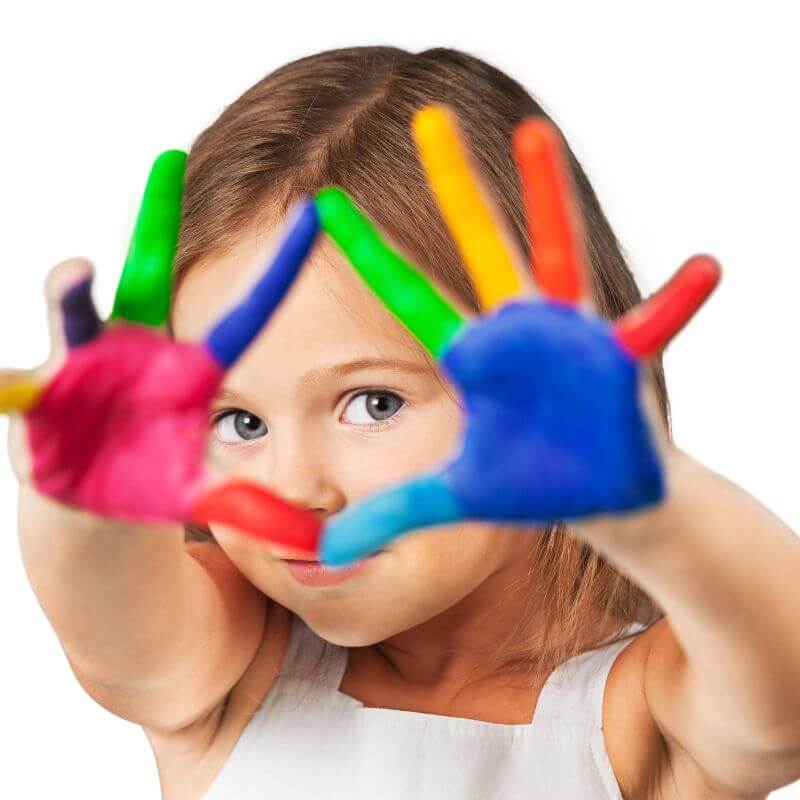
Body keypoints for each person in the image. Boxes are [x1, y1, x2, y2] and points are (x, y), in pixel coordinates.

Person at [4, 46, 800, 799]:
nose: (296, 487)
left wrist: (651, 505)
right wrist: (85, 505)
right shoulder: (230, 665)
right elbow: (119, 636)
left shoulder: (645, 709)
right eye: (239, 421)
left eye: (373, 404)